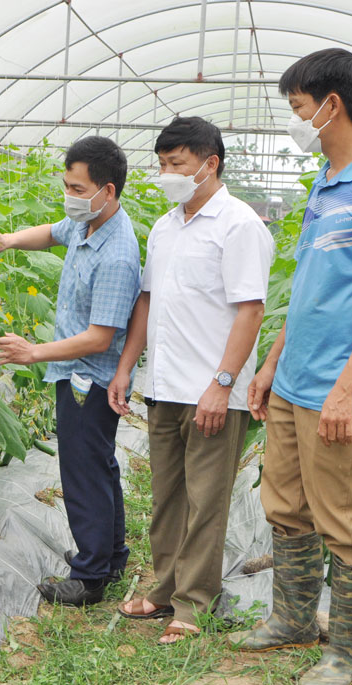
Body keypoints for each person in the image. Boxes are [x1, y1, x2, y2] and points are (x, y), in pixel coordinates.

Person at [230, 48, 352, 685]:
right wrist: (272, 363)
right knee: (284, 503)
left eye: (298, 108)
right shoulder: (324, 181)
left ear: (329, 106)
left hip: (340, 389)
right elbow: (314, 285)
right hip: (293, 380)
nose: (296, 120)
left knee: (342, 518)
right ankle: (290, 618)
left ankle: (345, 651)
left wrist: (348, 388)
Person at [107, 117, 274, 643]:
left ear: (210, 164)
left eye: (176, 164)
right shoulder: (164, 226)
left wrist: (223, 383)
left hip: (212, 390)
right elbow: (148, 302)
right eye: (161, 165)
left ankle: (195, 603)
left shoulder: (240, 225)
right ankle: (164, 589)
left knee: (206, 501)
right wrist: (128, 365)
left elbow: (251, 311)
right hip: (164, 386)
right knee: (167, 498)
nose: (167, 174)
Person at [0, 136, 139, 606]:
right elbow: (51, 231)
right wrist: (7, 240)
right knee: (99, 466)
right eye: (66, 184)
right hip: (77, 371)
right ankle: (110, 554)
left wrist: (34, 351)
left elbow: (101, 337)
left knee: (83, 472)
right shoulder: (88, 224)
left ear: (106, 190)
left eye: (76, 187)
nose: (69, 195)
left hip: (89, 375)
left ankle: (89, 577)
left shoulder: (117, 254)